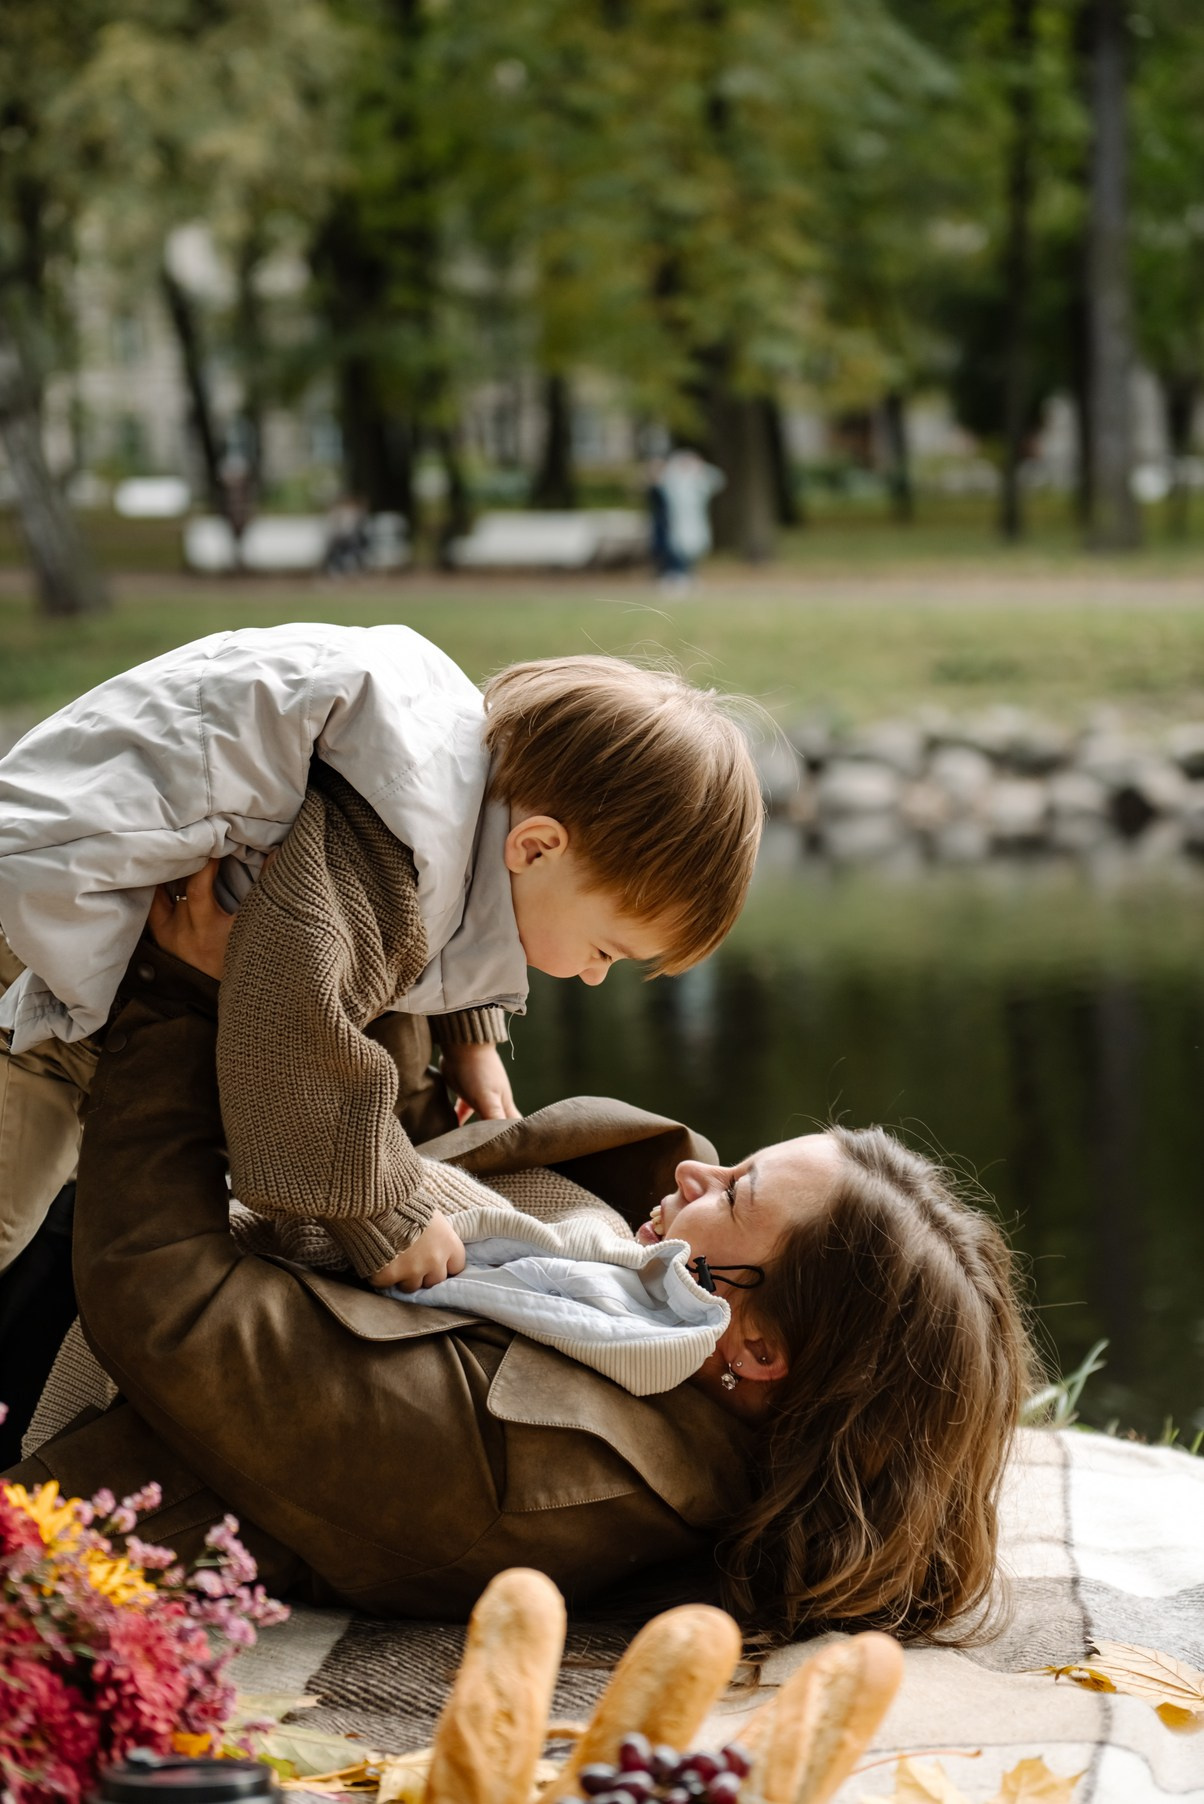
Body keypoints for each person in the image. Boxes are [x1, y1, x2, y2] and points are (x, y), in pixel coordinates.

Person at [6, 876, 1036, 1646]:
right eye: (732, 1163)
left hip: (48, 1338)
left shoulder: (529, 1461)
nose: (692, 1175)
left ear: (759, 1345)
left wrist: (179, 1000)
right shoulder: (648, 1336)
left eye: (735, 1195)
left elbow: (162, 1301)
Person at [0, 630, 762, 1289]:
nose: (594, 976)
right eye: (605, 951)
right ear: (537, 846)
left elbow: (455, 894)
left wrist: (471, 1031)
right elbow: (291, 1024)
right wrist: (386, 1213)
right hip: (32, 974)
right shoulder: (389, 864)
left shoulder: (447, 779)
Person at [655, 448, 726, 591]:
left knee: (694, 548)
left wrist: (700, 466)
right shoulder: (674, 480)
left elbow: (718, 480)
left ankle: (689, 574)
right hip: (676, 521)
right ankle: (677, 575)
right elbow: (659, 479)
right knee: (676, 547)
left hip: (695, 520)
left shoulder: (698, 480)